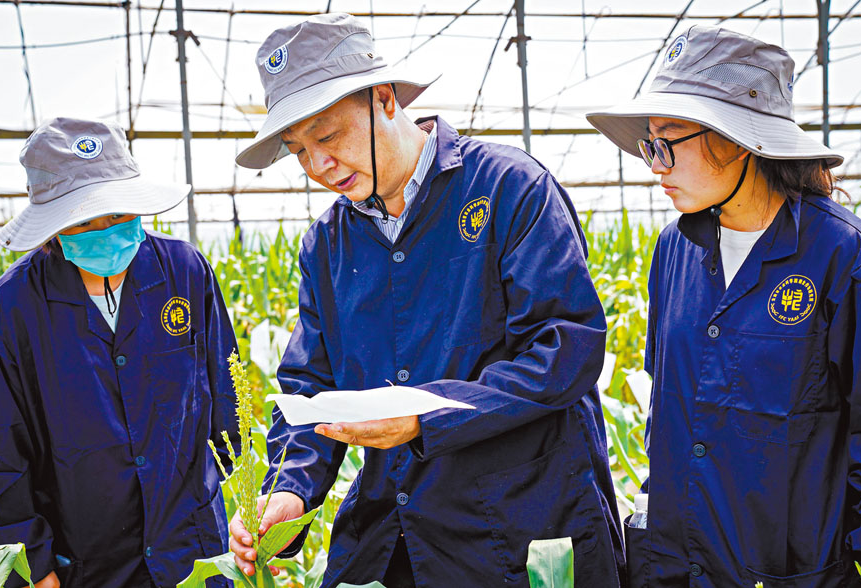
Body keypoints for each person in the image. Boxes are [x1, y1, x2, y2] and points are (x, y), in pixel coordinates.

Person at [228, 12, 625, 588]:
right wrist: (290, 491)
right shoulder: (327, 245)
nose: (317, 166)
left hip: (518, 533)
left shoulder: (508, 188)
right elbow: (309, 387)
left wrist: (425, 414)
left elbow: (565, 349)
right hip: (396, 537)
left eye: (328, 136)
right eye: (298, 150)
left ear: (384, 98)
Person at [587, 26, 861, 588]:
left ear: (736, 140)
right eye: (647, 145)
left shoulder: (840, 255)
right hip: (674, 563)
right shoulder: (674, 252)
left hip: (785, 570)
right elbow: (667, 407)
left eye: (667, 144)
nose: (654, 165)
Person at [0, 117, 239, 588]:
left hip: (192, 553)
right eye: (83, 221)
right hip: (86, 558)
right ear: (53, 229)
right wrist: (30, 560)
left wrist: (226, 502)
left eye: (116, 214)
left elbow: (224, 398)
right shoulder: (12, 307)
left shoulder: (184, 272)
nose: (104, 230)